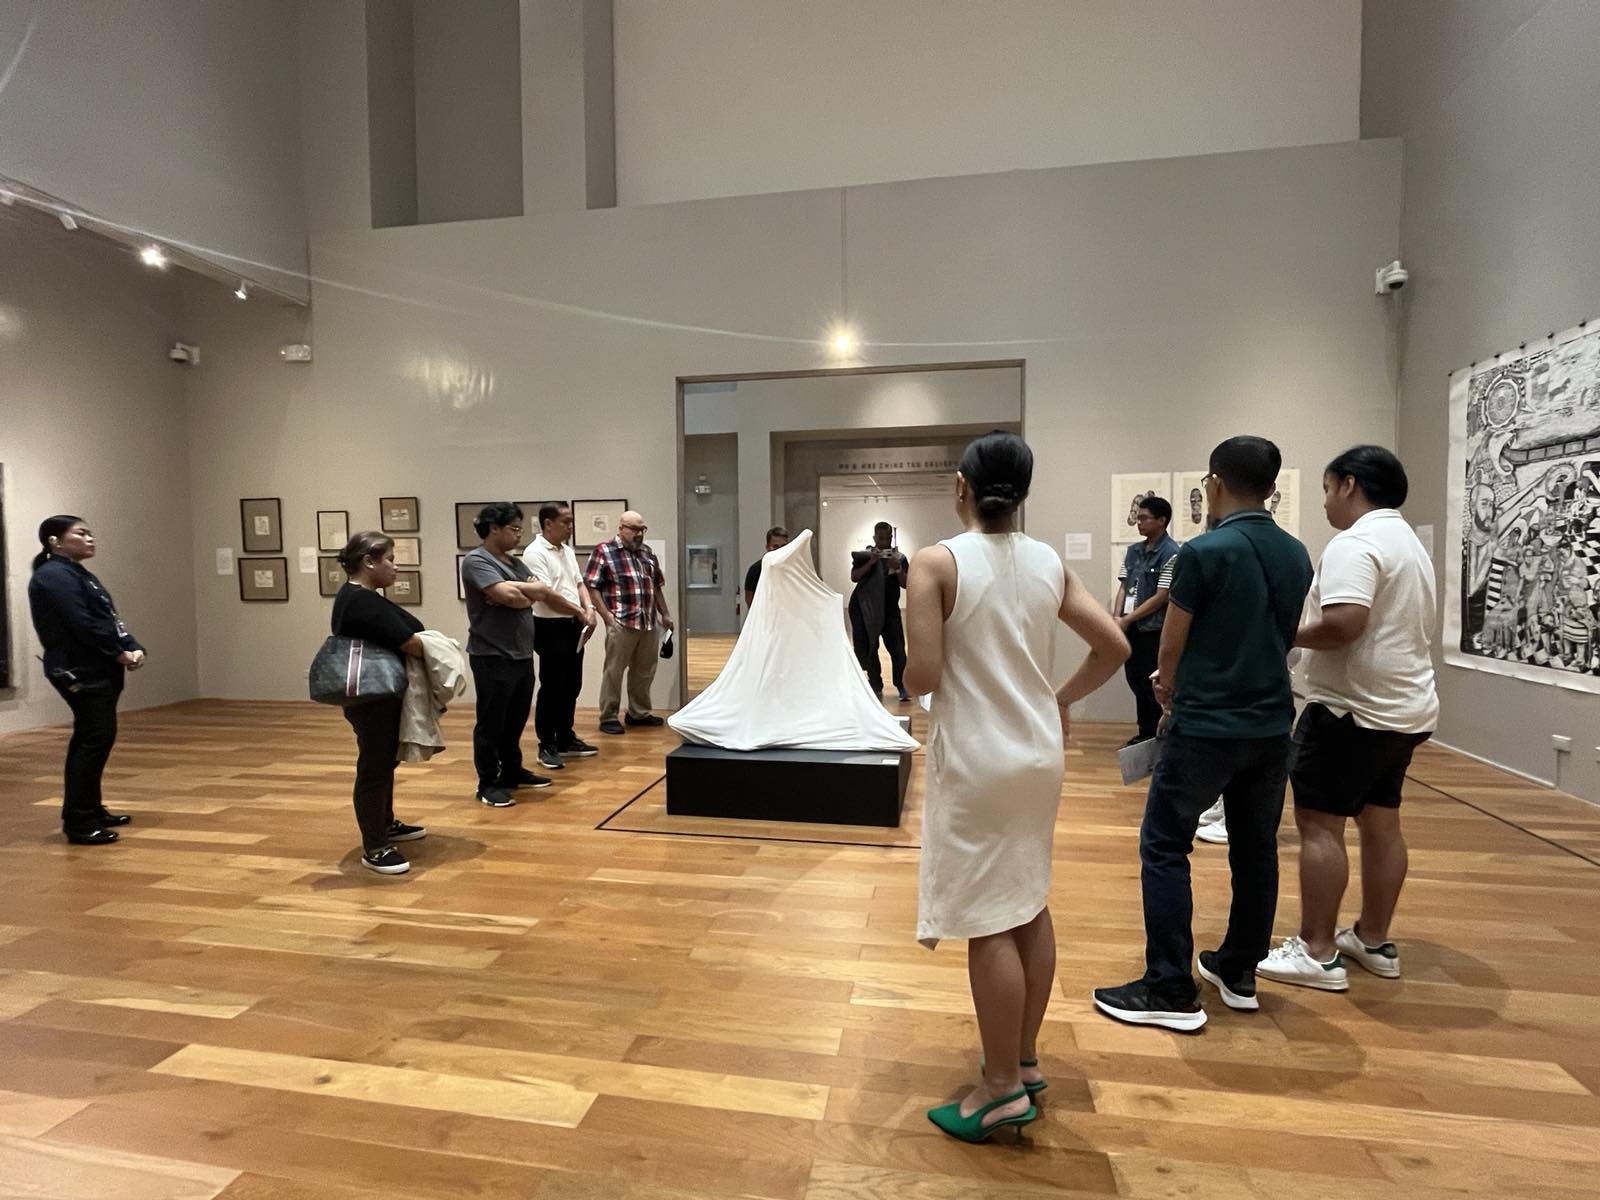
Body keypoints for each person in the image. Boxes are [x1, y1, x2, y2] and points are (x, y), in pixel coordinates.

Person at [904, 432, 1129, 1142]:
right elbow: (1116, 647)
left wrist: (906, 677)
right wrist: (1059, 698)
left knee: (987, 919)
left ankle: (999, 1088)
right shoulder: (1048, 563)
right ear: (1022, 492)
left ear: (961, 488)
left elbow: (925, 677)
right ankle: (1024, 1061)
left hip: (978, 757)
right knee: (1028, 899)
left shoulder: (935, 563)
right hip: (1038, 753)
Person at [1092, 436, 1313, 1031]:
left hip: (1207, 725)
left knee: (1165, 845)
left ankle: (1169, 986)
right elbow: (1287, 634)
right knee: (1255, 846)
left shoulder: (1203, 552)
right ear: (1272, 488)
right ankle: (1239, 970)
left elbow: (1170, 649)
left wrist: (1167, 695)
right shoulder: (1296, 553)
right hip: (1271, 728)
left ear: (1213, 482)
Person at [1258, 446, 1439, 991]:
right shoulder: (1407, 541)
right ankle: (1374, 939)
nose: (1325, 501)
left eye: (1327, 487)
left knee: (1319, 823)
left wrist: (1280, 635)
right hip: (1404, 708)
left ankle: (1317, 950)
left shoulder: (1356, 541)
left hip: (1350, 710)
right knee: (1381, 822)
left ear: (1349, 485)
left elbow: (1343, 623)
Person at [27, 516, 146, 845]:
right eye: (81, 533)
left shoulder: (75, 573)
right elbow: (81, 623)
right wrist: (118, 652)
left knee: (95, 739)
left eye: (90, 532)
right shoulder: (53, 576)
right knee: (93, 740)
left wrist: (132, 646)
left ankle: (90, 809)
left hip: (98, 667)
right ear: (55, 541)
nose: (90, 538)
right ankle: (79, 821)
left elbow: (107, 618)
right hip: (79, 670)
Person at [329, 532, 429, 874]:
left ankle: (385, 824)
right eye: (390, 559)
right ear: (369, 562)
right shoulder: (359, 600)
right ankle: (374, 846)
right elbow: (410, 639)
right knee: (374, 765)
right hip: (371, 698)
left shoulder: (362, 596)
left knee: (384, 761)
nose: (396, 567)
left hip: (379, 695)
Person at [461, 503, 561, 807]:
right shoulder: (476, 561)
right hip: (491, 654)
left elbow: (540, 591)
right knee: (492, 721)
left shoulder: (513, 562)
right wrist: (517, 594)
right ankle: (487, 783)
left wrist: (519, 593)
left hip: (519, 653)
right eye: (514, 529)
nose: (519, 535)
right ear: (494, 528)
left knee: (516, 718)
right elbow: (510, 596)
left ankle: (512, 771)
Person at [523, 502, 600, 771]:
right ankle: (547, 744)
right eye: (565, 522)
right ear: (548, 524)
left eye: (571, 521)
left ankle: (566, 737)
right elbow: (546, 595)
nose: (570, 526)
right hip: (550, 626)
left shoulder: (566, 550)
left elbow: (579, 583)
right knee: (553, 686)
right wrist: (581, 612)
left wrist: (589, 609)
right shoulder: (534, 553)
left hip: (572, 624)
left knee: (572, 684)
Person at [585, 510, 673, 735]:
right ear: (621, 528)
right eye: (634, 529)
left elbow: (656, 586)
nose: (639, 534)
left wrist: (666, 614)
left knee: (644, 671)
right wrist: (607, 617)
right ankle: (609, 716)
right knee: (614, 671)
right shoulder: (604, 551)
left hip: (648, 622)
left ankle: (638, 713)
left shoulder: (647, 553)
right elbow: (592, 586)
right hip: (621, 621)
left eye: (642, 529)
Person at [1112, 496, 1179, 744]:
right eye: (1137, 518)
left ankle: (1154, 734)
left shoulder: (1172, 553)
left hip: (1153, 629)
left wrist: (1128, 619)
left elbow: (1162, 596)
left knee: (1152, 682)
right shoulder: (1133, 551)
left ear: (1161, 520)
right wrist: (1117, 617)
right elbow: (1123, 587)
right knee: (1136, 679)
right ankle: (1145, 731)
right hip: (1131, 627)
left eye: (1144, 518)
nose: (1139, 523)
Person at [849, 521, 911, 701]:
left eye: (887, 537)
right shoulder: (864, 555)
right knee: (870, 648)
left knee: (898, 649)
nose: (884, 541)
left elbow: (906, 584)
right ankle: (875, 686)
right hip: (865, 609)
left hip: (890, 609)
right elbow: (854, 577)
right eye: (880, 537)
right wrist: (872, 562)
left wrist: (897, 567)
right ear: (874, 537)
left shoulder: (899, 557)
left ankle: (902, 686)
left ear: (892, 537)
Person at [743, 526, 790, 609]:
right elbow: (750, 600)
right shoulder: (755, 570)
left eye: (783, 546)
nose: (779, 550)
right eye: (775, 546)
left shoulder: (793, 568)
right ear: (768, 547)